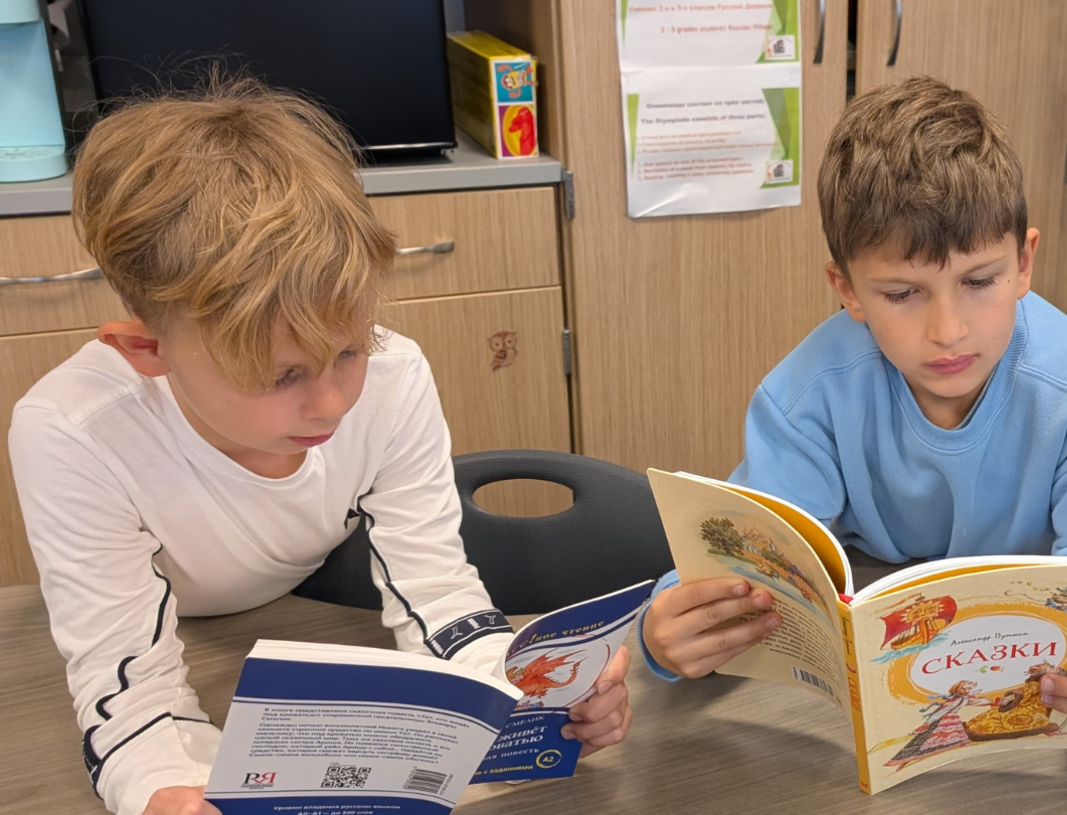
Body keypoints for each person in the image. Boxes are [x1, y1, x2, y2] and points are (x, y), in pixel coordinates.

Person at [8, 80, 632, 815]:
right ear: (148, 350)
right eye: (281, 375)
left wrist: (529, 701)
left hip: (311, 605)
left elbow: (436, 593)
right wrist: (155, 791)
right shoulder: (72, 429)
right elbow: (124, 688)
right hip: (167, 624)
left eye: (349, 349)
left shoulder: (394, 377)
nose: (333, 402)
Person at [637, 76, 1067, 744]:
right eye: (901, 293)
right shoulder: (808, 395)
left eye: (979, 281)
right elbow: (747, 551)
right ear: (847, 289)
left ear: (1025, 261)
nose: (948, 331)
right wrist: (667, 625)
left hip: (1032, 686)